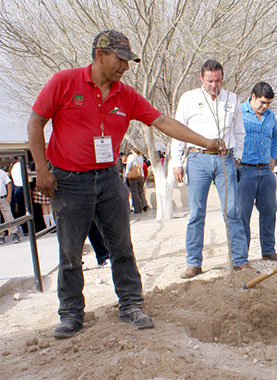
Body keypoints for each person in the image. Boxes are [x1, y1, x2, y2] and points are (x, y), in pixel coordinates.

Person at [27, 30, 223, 339]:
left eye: (128, 61)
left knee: (121, 246)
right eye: (120, 60)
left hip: (108, 177)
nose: (125, 67)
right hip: (68, 179)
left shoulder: (126, 94)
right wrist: (41, 169)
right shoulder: (64, 82)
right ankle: (71, 314)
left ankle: (131, 304)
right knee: (70, 252)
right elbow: (36, 121)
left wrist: (206, 142)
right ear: (99, 55)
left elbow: (162, 122)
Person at [171, 59, 250, 278]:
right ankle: (194, 262)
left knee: (232, 211)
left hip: (225, 158)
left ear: (222, 78)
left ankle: (240, 260)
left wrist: (238, 156)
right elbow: (178, 130)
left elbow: (239, 131)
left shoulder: (232, 99)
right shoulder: (189, 98)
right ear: (201, 78)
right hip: (198, 159)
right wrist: (176, 162)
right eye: (209, 80)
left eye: (217, 80)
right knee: (197, 212)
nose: (214, 85)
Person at [238, 81, 277, 262]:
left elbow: (276, 135)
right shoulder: (238, 113)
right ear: (252, 97)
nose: (265, 107)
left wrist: (273, 157)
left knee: (269, 212)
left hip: (265, 171)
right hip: (244, 170)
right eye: (262, 102)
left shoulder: (271, 116)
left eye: (268, 103)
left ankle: (268, 250)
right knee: (242, 215)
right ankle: (241, 256)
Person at [0, 169, 21, 244]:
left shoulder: (1, 172)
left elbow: (8, 183)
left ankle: (14, 233)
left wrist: (9, 196)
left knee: (8, 216)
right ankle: (1, 235)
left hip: (2, 197)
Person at [124, 147, 146, 213]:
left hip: (134, 177)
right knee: (141, 191)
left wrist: (125, 176)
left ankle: (137, 209)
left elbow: (128, 167)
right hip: (141, 175)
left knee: (134, 192)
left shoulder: (131, 157)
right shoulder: (140, 157)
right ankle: (144, 204)